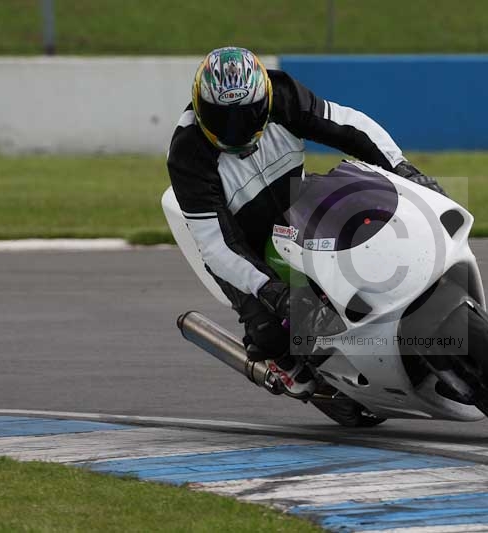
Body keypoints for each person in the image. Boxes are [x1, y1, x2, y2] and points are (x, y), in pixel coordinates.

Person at [167, 47, 445, 396]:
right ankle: (286, 368)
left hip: (297, 201)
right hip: (241, 240)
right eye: (222, 119)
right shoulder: (187, 153)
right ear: (200, 107)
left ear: (264, 101)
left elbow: (347, 126)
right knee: (268, 332)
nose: (235, 131)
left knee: (368, 214)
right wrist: (268, 289)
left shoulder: (280, 93)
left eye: (247, 115)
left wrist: (404, 170)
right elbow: (215, 243)